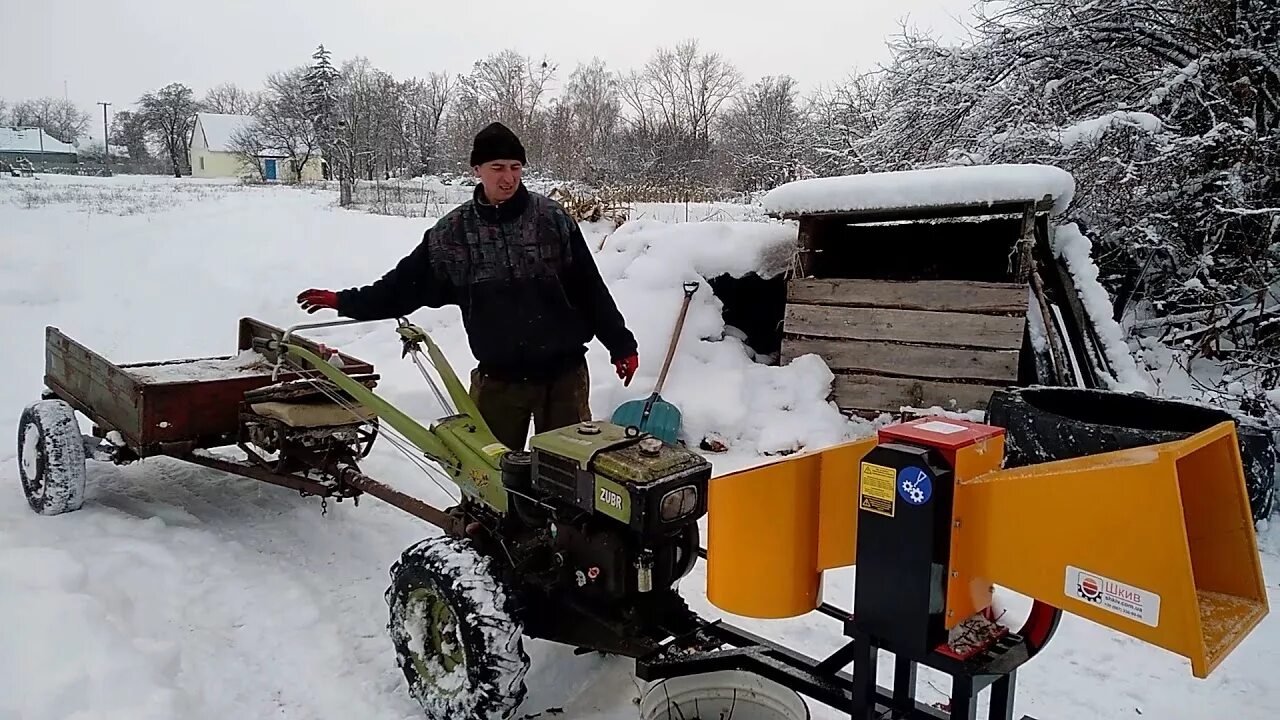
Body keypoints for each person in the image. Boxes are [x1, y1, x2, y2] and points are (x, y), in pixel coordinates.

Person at [296, 122, 639, 451]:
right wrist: (343, 301)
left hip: (563, 380)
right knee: (490, 483)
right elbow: (402, 287)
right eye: (498, 167)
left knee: (569, 481)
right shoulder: (453, 235)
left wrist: (621, 344)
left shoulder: (551, 220)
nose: (508, 178)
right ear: (477, 169)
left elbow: (589, 289)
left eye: (516, 167)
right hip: (498, 383)